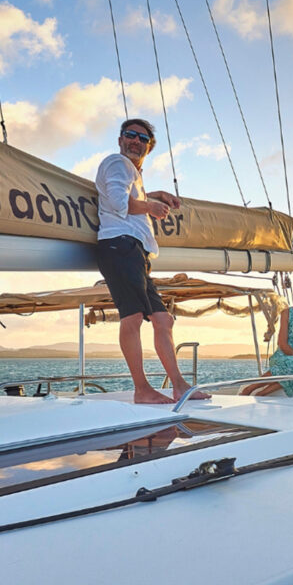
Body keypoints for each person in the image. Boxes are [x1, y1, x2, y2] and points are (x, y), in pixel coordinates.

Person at [95, 118, 209, 404]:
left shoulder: (131, 172)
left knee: (163, 319)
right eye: (130, 135)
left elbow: (126, 194)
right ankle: (142, 389)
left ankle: (180, 385)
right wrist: (151, 205)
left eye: (142, 138)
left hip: (134, 250)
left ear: (149, 147)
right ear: (120, 139)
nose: (135, 140)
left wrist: (152, 194)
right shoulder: (117, 163)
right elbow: (119, 203)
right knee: (132, 317)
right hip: (119, 244)